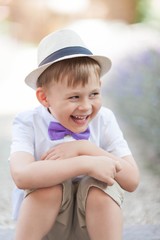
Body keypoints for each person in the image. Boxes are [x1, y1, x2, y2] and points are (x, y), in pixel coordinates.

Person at [10, 29, 140, 240]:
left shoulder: (104, 119)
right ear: (44, 98)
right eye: (74, 97)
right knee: (48, 185)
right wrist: (86, 164)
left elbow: (132, 180)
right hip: (47, 228)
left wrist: (84, 149)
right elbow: (21, 175)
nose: (86, 106)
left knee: (100, 189)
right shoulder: (28, 122)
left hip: (93, 227)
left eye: (94, 94)